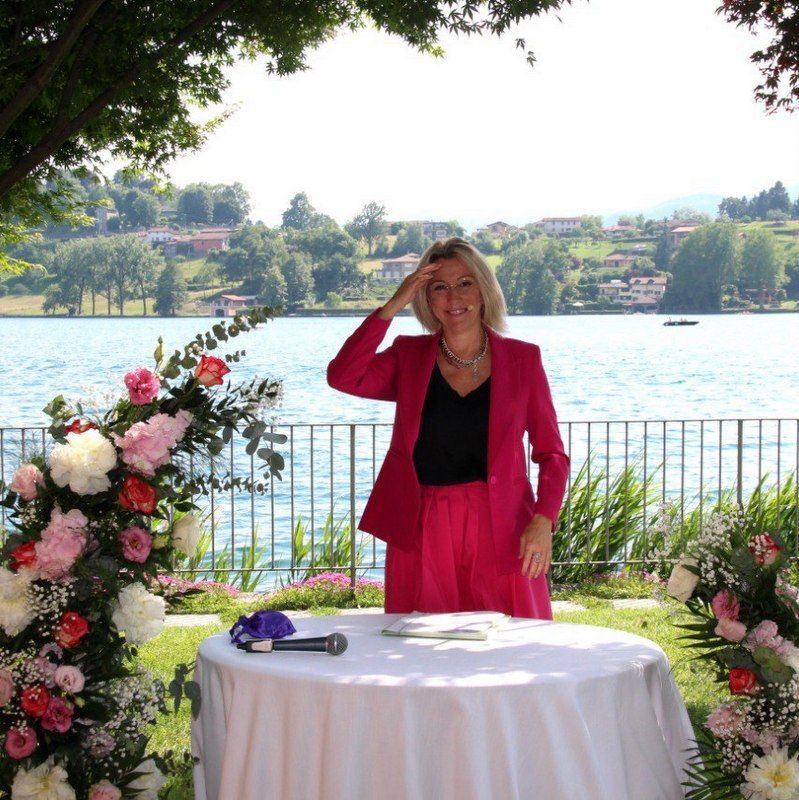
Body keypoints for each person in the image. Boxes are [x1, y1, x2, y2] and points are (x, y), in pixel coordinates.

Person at [327, 237, 569, 619]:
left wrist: (544, 519)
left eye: (465, 283)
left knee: (511, 647)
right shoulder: (408, 357)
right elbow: (343, 376)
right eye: (439, 286)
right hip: (422, 526)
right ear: (425, 296)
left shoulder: (523, 360)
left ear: (484, 290)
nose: (453, 296)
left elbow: (552, 454)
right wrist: (391, 306)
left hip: (502, 526)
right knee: (423, 649)